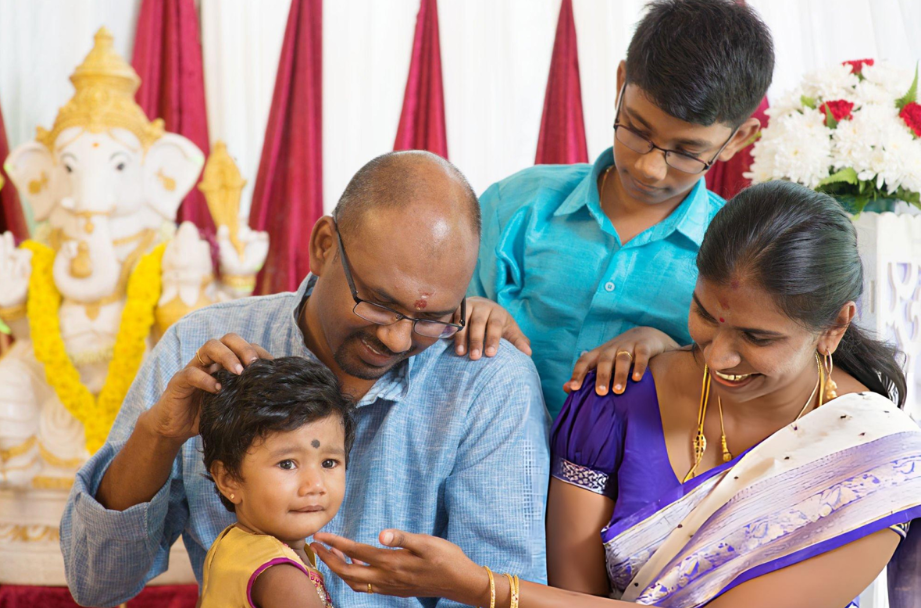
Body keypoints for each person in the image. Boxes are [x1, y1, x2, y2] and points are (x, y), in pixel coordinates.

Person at [310, 182, 921, 608]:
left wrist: (482, 587)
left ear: (835, 327)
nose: (718, 354)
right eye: (705, 315)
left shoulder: (876, 461)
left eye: (758, 338)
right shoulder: (613, 398)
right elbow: (575, 595)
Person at [60, 151, 552, 608]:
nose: (399, 339)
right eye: (378, 302)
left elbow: (496, 594)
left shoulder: (488, 384)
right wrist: (159, 435)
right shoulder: (202, 348)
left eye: (432, 318)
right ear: (323, 246)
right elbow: (97, 583)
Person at [461, 0, 775, 419]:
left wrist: (669, 351)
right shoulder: (515, 205)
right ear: (621, 82)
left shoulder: (738, 257)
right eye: (636, 130)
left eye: (685, 151)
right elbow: (428, 335)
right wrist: (463, 314)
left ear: (737, 139)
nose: (648, 167)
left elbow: (743, 398)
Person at [197, 357, 355, 608]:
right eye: (287, 464)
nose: (315, 485)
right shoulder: (283, 578)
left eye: (328, 463)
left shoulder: (235, 542)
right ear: (229, 480)